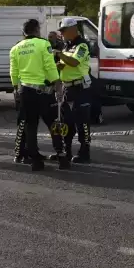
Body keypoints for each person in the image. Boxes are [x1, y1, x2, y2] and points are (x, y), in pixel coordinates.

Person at [9, 18, 64, 171]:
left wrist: (15, 89)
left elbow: (14, 72)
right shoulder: (43, 44)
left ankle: (35, 161)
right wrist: (57, 83)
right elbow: (49, 66)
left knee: (30, 127)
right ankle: (61, 155)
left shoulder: (15, 48)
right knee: (53, 123)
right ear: (37, 30)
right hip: (43, 92)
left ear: (24, 32)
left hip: (25, 91)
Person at [56, 17, 94, 164]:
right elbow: (64, 64)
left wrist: (59, 54)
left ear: (73, 29)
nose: (62, 34)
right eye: (61, 31)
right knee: (66, 122)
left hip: (80, 88)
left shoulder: (82, 45)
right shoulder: (67, 45)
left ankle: (85, 152)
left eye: (64, 31)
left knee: (82, 122)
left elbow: (74, 61)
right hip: (67, 88)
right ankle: (67, 150)